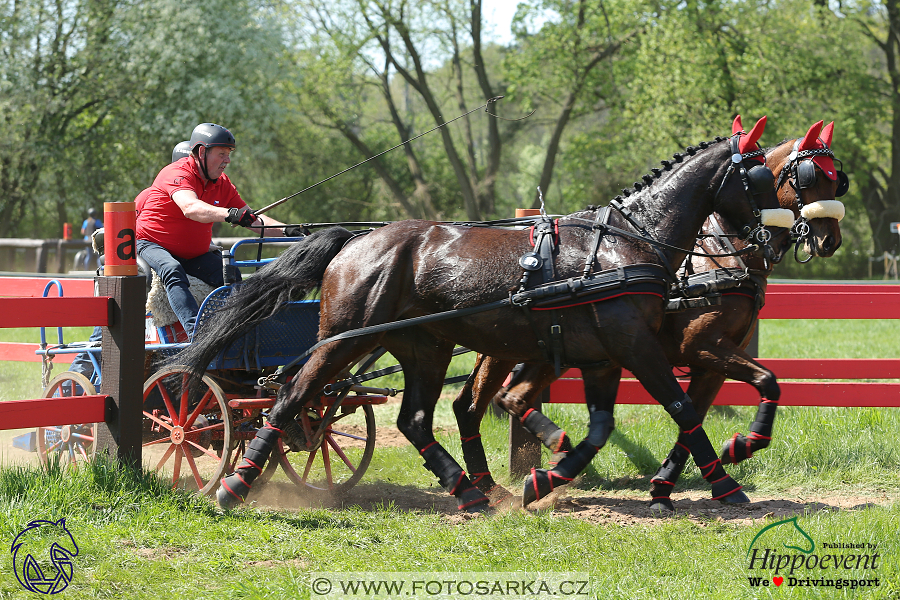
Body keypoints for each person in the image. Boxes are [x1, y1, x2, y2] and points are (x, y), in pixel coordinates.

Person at [135, 123, 304, 338]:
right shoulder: (176, 173)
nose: (228, 160)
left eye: (229, 154)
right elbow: (191, 208)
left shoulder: (222, 183)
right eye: (222, 154)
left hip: (193, 254)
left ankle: (238, 331)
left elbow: (252, 219)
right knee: (172, 269)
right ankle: (198, 336)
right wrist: (230, 214)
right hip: (151, 243)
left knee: (230, 274)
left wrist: (289, 232)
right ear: (202, 152)